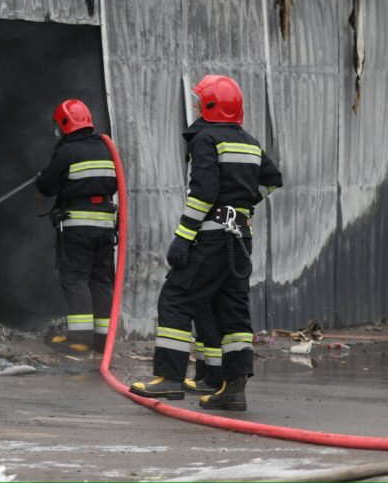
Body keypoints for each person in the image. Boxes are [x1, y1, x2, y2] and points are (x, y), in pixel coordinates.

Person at [130, 75, 282, 410]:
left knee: (177, 298)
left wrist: (183, 237)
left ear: (211, 106)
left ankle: (168, 379)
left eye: (200, 102)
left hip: (211, 237)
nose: (197, 106)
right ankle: (233, 390)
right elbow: (273, 179)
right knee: (233, 313)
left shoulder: (205, 138)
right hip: (241, 238)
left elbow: (203, 193)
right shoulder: (250, 142)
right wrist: (242, 203)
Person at [36, 99, 117, 354]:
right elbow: (114, 185)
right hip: (105, 227)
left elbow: (48, 187)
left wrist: (42, 178)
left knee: (75, 278)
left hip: (78, 228)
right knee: (100, 279)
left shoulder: (66, 151)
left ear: (64, 123)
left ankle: (80, 340)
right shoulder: (106, 148)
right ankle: (103, 340)